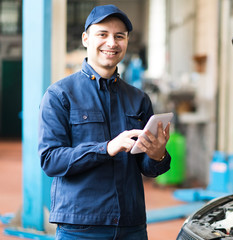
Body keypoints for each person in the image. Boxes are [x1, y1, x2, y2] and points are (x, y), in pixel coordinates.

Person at [38, 4, 171, 240]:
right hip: (80, 227)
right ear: (85, 39)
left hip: (132, 225)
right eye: (103, 34)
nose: (112, 43)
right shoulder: (60, 95)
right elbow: (50, 160)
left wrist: (157, 154)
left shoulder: (138, 99)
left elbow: (148, 169)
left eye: (119, 36)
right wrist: (106, 148)